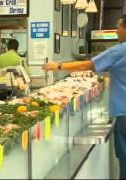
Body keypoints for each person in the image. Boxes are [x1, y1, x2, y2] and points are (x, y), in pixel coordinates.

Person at [43, 15, 126, 179]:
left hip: (124, 115)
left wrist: (57, 66)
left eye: (119, 27)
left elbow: (85, 65)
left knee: (124, 158)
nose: (116, 31)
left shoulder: (119, 50)